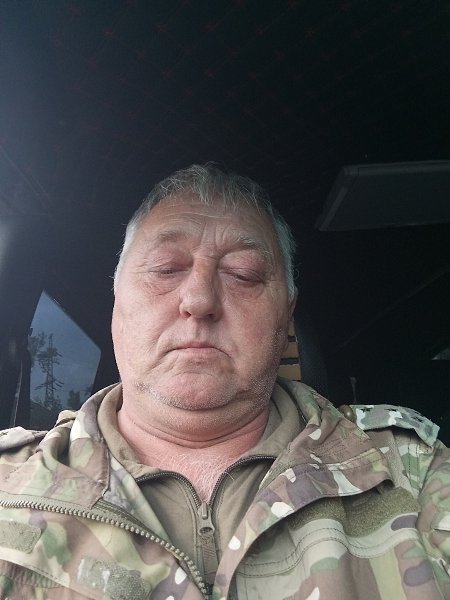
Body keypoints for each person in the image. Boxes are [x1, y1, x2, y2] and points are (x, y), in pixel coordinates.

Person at [0, 164, 448, 600]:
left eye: (243, 274)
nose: (199, 299)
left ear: (287, 314)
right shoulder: (9, 483)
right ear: (117, 300)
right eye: (165, 268)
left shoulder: (411, 470)